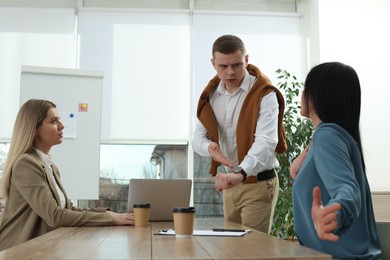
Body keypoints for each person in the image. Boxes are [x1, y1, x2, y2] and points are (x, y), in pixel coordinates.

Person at [0, 99, 134, 251]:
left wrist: (112, 214)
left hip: (41, 248)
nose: (62, 126)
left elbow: (68, 209)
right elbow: (55, 216)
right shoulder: (26, 164)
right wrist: (110, 219)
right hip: (17, 250)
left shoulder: (50, 167)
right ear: (34, 129)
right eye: (53, 121)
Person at [192, 34, 287, 233]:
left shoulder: (264, 93)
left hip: (257, 183)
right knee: (231, 250)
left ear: (246, 59)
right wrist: (210, 148)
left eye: (236, 65)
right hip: (229, 185)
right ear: (213, 63)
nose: (230, 72)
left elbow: (267, 141)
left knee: (251, 251)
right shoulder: (210, 95)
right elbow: (197, 139)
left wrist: (241, 172)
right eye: (223, 66)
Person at [291, 62, 382, 259]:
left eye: (307, 88)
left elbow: (347, 189)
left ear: (319, 95)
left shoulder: (327, 136)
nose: (302, 94)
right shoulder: (331, 137)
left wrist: (334, 215)